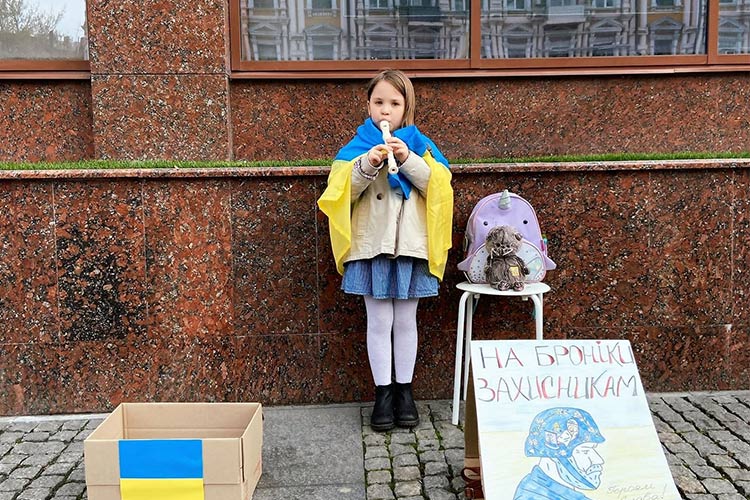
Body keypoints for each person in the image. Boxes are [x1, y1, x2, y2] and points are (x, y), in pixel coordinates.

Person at [317, 69, 453, 431]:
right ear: (368, 105)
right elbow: (340, 192)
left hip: (409, 245)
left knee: (406, 321)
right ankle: (382, 393)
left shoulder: (422, 146)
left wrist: (407, 159)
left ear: (406, 108)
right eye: (379, 102)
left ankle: (405, 391)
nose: (385, 112)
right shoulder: (355, 147)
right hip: (371, 244)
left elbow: (440, 187)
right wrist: (367, 164)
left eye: (394, 103)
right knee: (378, 321)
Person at [513, 407, 606, 500]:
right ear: (554, 456)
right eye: (585, 451)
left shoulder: (568, 495)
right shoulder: (533, 496)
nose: (599, 460)